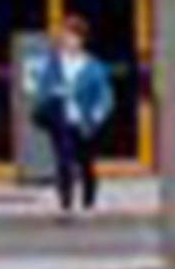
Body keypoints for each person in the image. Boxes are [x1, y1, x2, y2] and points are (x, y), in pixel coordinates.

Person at [24, 17, 114, 219]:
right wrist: (54, 92)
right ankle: (66, 203)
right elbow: (41, 89)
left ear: (82, 39)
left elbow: (105, 95)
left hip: (84, 121)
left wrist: (97, 115)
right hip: (61, 119)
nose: (68, 40)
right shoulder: (53, 64)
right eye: (65, 36)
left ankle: (88, 202)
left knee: (86, 162)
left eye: (73, 36)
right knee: (63, 160)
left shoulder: (93, 67)